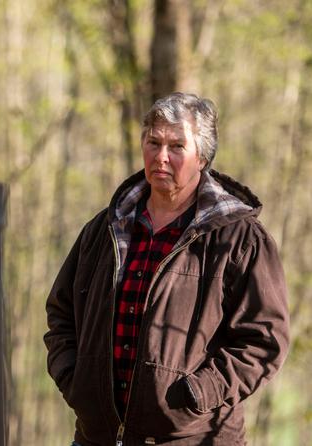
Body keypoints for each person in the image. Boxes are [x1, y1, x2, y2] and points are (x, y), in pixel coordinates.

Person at [44, 92, 289, 445]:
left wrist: (198, 394)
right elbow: (61, 312)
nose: (161, 156)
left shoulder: (239, 238)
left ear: (202, 156)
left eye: (177, 146)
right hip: (96, 436)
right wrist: (75, 378)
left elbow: (263, 342)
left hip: (193, 438)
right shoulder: (105, 230)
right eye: (153, 142)